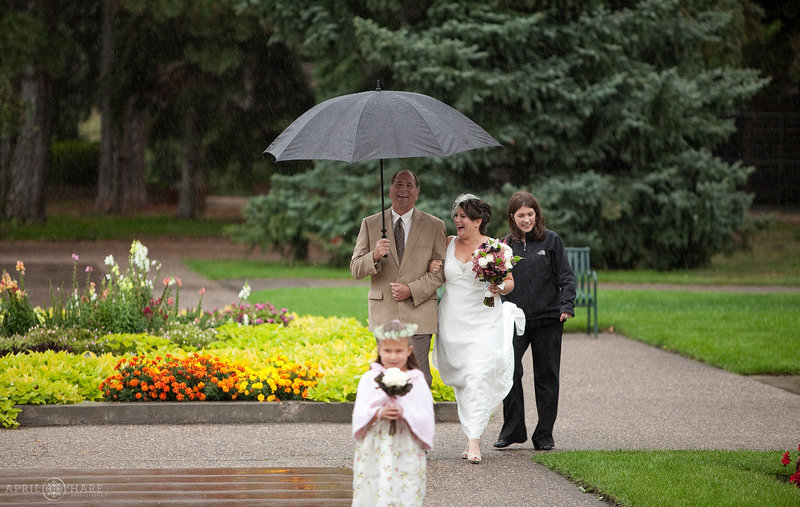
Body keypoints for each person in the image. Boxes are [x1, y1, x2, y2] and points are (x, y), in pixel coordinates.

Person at [432, 194, 521, 464]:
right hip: (452, 320)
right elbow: (436, 273)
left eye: (463, 216)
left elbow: (509, 283)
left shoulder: (496, 248)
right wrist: (433, 265)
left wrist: (498, 287)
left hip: (484, 320)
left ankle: (474, 439)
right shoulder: (447, 243)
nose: (457, 220)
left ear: (478, 221)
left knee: (478, 374)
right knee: (463, 379)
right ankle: (471, 428)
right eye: (456, 215)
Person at [493, 191, 576, 452]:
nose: (526, 219)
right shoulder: (504, 245)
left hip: (548, 318)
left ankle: (544, 435)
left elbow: (566, 276)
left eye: (530, 214)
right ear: (512, 217)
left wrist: (567, 305)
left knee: (547, 376)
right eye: (521, 215)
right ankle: (513, 431)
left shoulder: (551, 241)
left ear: (536, 215)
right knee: (511, 372)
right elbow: (498, 281)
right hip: (515, 320)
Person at [351, 169, 447, 386]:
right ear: (390, 189)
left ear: (417, 192)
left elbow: (441, 272)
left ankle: (417, 419)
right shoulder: (371, 223)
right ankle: (390, 418)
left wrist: (411, 289)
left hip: (419, 311)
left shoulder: (434, 225)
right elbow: (355, 268)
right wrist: (374, 256)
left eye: (409, 186)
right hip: (384, 313)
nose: (403, 190)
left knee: (419, 376)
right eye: (399, 184)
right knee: (387, 375)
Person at [351, 320, 435, 506]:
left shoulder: (416, 379)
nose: (393, 357)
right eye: (388, 351)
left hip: (406, 443)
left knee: (405, 487)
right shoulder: (370, 378)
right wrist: (378, 412)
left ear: (409, 350)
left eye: (399, 351)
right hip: (376, 442)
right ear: (379, 351)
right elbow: (361, 411)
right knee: (374, 485)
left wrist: (405, 412)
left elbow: (425, 413)